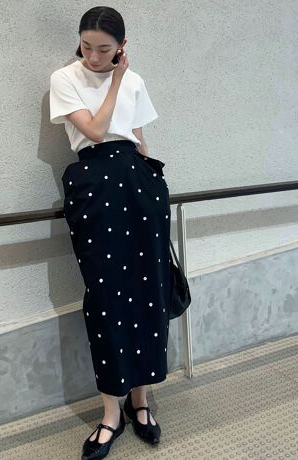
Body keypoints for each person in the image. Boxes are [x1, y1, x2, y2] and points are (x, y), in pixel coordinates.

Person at [49, 6, 171, 459]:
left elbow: (137, 139)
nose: (94, 56)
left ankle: (141, 401)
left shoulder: (136, 82)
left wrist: (155, 184)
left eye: (105, 49)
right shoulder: (65, 78)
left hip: (139, 183)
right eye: (87, 46)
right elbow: (97, 132)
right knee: (105, 297)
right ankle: (110, 413)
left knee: (148, 289)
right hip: (95, 184)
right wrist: (116, 79)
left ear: (122, 46)